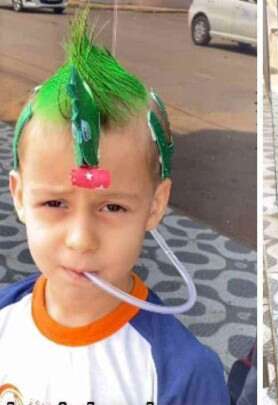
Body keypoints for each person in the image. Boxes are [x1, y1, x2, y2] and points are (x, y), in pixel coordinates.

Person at [0, 9, 230, 405]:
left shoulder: (185, 375)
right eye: (54, 202)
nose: (81, 239)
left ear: (155, 205)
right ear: (19, 196)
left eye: (113, 208)